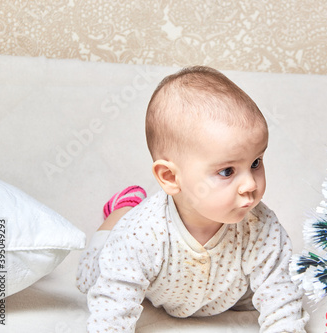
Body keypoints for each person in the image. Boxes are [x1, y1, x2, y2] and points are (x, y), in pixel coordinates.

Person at [76, 66, 309, 332]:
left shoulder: (261, 228)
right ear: (170, 177)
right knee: (89, 280)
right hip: (147, 275)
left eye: (256, 162)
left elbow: (282, 301)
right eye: (227, 171)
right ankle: (122, 208)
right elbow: (111, 312)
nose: (250, 184)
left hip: (224, 296)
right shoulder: (140, 234)